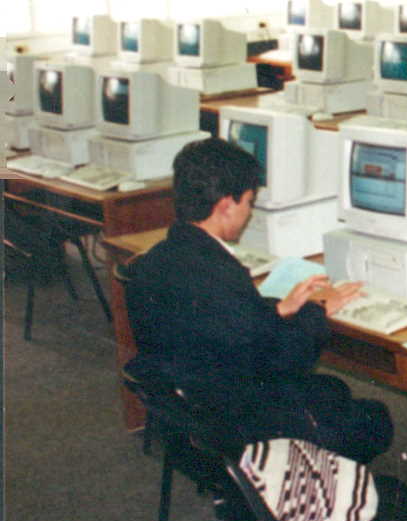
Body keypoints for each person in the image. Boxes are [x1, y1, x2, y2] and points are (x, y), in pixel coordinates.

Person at [122, 137, 391, 464]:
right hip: (243, 428)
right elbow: (281, 359)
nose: (250, 211)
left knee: (333, 390)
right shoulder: (219, 274)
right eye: (249, 201)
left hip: (195, 419)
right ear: (226, 205)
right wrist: (317, 312)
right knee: (375, 419)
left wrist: (279, 308)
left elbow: (229, 326)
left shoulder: (157, 259)